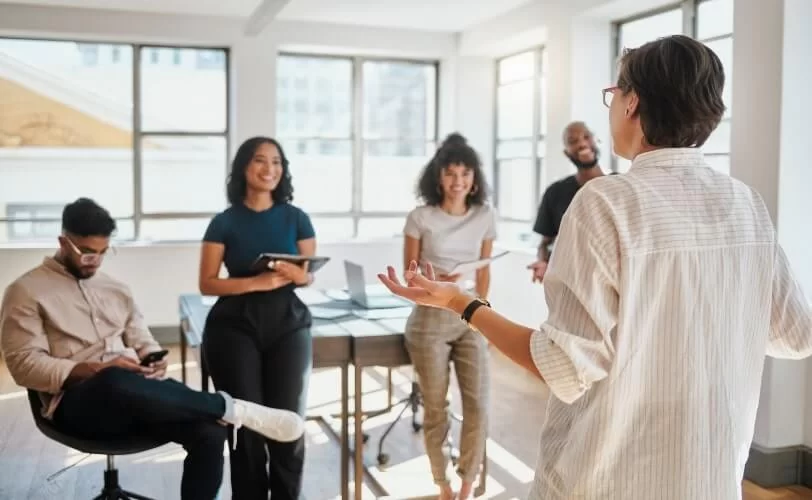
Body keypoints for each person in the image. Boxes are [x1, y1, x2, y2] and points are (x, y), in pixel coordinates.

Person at [376, 34, 812, 500]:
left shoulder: (607, 202)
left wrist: (462, 303)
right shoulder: (747, 205)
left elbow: (563, 367)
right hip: (711, 479)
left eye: (614, 93)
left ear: (632, 104)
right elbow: (795, 335)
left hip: (608, 479)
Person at [0, 197, 305, 500]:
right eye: (87, 252)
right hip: (79, 405)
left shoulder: (114, 287)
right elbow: (24, 365)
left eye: (104, 252)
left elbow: (140, 335)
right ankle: (230, 406)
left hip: (136, 392)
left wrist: (150, 356)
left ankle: (222, 409)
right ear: (63, 241)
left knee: (210, 432)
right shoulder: (25, 292)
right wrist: (95, 369)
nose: (96, 261)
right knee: (112, 380)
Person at [199, 136, 316, 500]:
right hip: (234, 325)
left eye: (277, 162)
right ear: (244, 169)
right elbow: (207, 282)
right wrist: (256, 282)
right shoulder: (224, 222)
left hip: (288, 321)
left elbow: (307, 273)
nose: (270, 169)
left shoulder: (297, 218)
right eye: (260, 161)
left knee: (288, 425)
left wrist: (302, 276)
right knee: (246, 423)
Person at [403, 133, 496, 500]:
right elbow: (409, 272)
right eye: (451, 173)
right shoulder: (420, 217)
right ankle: (442, 485)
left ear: (474, 178)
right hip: (429, 316)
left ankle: (468, 483)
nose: (458, 181)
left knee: (478, 403)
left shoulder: (485, 215)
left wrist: (484, 310)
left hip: (471, 312)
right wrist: (435, 281)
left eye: (465, 173)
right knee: (436, 405)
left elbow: (485, 270)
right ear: (438, 177)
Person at [527, 121, 606, 283]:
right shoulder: (555, 192)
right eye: (573, 141)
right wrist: (543, 263)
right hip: (568, 284)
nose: (582, 143)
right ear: (567, 152)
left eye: (586, 137)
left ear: (595, 140)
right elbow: (545, 243)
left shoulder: (619, 186)